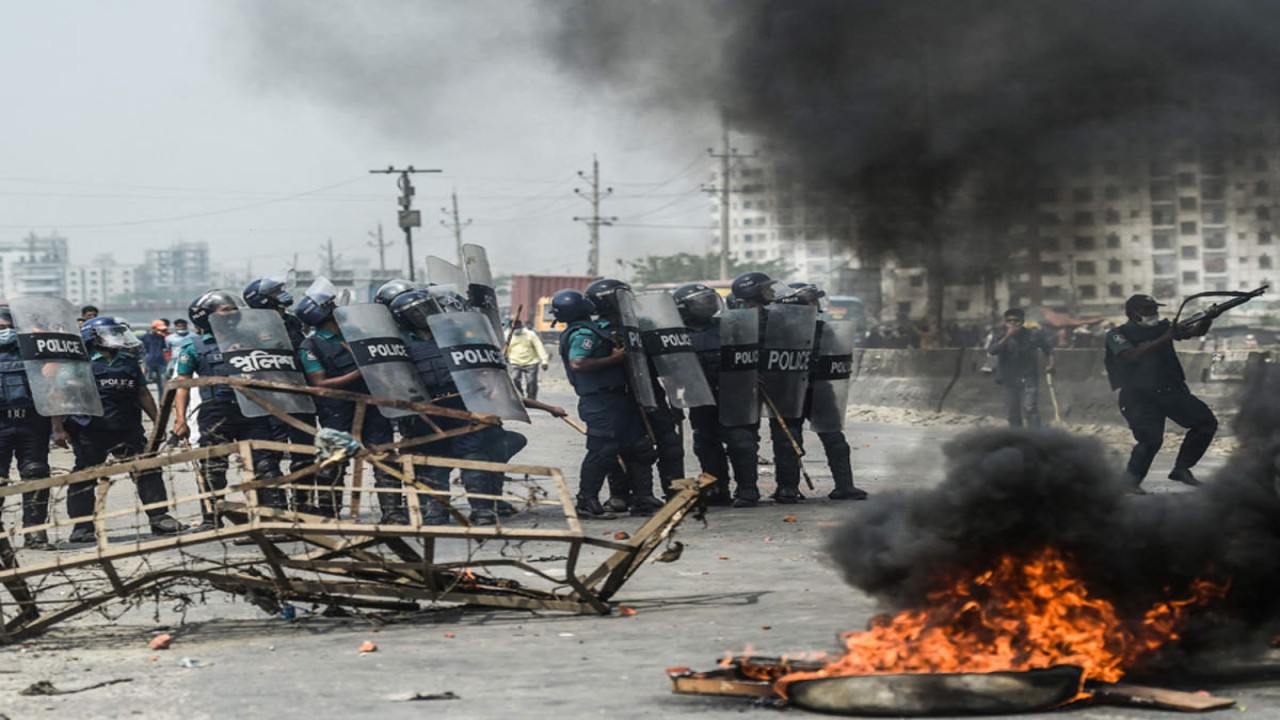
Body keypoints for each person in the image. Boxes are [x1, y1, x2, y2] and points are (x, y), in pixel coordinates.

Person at [58, 317, 184, 543]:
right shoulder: (78, 365)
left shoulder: (128, 362)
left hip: (127, 428)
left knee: (146, 470)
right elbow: (60, 397)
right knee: (84, 476)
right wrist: (58, 429)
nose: (116, 338)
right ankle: (82, 527)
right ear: (93, 338)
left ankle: (159, 518)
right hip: (90, 430)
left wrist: (158, 422)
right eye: (110, 334)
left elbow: (143, 394)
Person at [172, 291, 287, 530]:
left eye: (234, 308)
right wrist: (180, 419)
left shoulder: (251, 339)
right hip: (215, 413)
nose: (233, 313)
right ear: (206, 317)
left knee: (264, 464)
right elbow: (181, 385)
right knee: (213, 466)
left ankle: (274, 516)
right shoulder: (193, 346)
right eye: (226, 309)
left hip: (253, 410)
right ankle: (211, 518)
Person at [297, 284, 404, 522]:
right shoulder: (311, 345)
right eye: (331, 306)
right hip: (337, 410)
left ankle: (394, 513)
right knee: (332, 462)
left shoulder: (356, 334)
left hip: (372, 406)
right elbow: (320, 383)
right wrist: (360, 373)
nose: (337, 309)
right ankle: (328, 513)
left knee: (384, 457)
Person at [552, 288, 661, 519]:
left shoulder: (591, 330)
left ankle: (643, 498)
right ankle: (586, 501)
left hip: (618, 398)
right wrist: (614, 358)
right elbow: (578, 363)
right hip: (601, 401)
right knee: (603, 451)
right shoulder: (584, 333)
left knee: (639, 447)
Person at [586, 278, 683, 508]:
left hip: (651, 392)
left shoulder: (645, 324)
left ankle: (674, 493)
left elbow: (667, 364)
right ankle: (622, 495)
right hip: (619, 398)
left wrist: (676, 399)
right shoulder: (597, 332)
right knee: (624, 447)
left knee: (669, 443)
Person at [1105, 294, 1216, 493]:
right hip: (1138, 396)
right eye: (1149, 310)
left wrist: (1209, 317)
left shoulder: (1163, 328)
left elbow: (1195, 331)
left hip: (1170, 390)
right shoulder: (1118, 334)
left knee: (1206, 423)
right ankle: (1130, 482)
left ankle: (1182, 468)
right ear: (1135, 313)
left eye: (1155, 309)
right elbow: (1130, 355)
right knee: (1151, 440)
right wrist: (1166, 337)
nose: (1154, 313)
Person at [776, 282, 869, 501]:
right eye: (811, 300)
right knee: (788, 440)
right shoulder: (777, 332)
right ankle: (787, 488)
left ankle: (845, 485)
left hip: (820, 389)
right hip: (789, 391)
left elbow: (836, 354)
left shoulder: (823, 329)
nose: (816, 305)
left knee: (835, 439)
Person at [674, 283, 761, 507]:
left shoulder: (728, 325)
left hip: (733, 394)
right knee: (706, 444)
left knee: (741, 442)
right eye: (701, 302)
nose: (708, 306)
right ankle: (716, 488)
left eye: (709, 300)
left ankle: (748, 489)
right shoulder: (676, 334)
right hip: (701, 398)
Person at [243, 276, 317, 512]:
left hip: (299, 395)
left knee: (304, 451)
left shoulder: (293, 322)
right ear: (263, 300)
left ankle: (303, 505)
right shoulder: (249, 326)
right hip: (268, 399)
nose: (282, 294)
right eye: (276, 292)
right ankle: (275, 507)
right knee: (269, 455)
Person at [0, 307, 56, 550]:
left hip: (32, 421)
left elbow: (51, 388)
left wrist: (58, 426)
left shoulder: (33, 353)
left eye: (8, 327)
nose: (5, 332)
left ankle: (34, 533)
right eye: (0, 328)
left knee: (36, 474)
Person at [987, 308, 1056, 428]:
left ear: (1022, 321)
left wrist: (1051, 364)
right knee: (1013, 411)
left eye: (1016, 320)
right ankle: (1017, 436)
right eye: (1009, 321)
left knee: (1030, 408)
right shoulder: (1000, 334)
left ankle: (1035, 436)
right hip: (1009, 376)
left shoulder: (1032, 334)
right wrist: (1007, 337)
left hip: (1028, 375)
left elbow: (1048, 349)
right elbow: (993, 351)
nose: (1013, 323)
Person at [505, 318, 549, 400]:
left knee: (531, 382)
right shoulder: (507, 335)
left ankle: (531, 399)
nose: (516, 329)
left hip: (531, 362)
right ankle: (519, 395)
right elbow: (505, 348)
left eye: (518, 327)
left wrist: (544, 361)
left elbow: (539, 347)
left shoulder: (530, 334)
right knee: (514, 379)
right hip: (515, 361)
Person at [139, 320, 169, 396]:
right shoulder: (144, 337)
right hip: (148, 362)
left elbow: (163, 349)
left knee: (163, 384)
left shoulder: (161, 337)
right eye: (159, 329)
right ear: (154, 328)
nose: (161, 331)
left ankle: (162, 403)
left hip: (161, 363)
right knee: (145, 383)